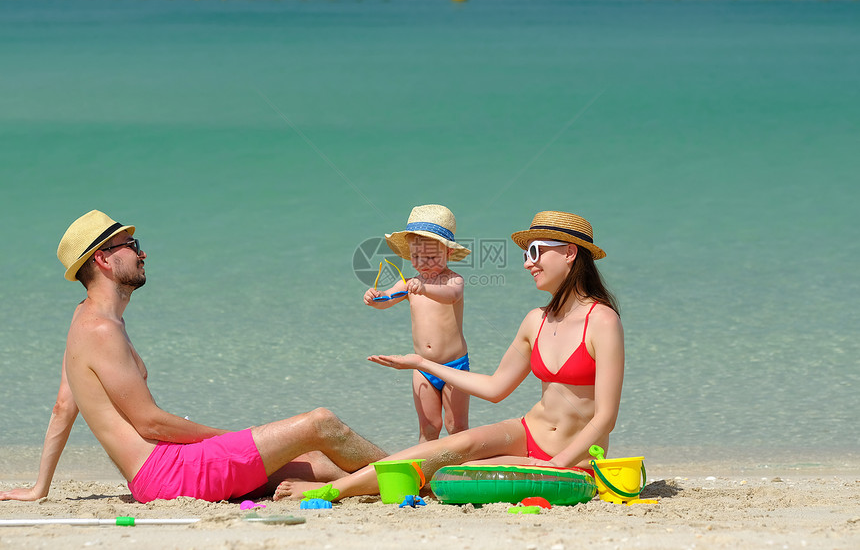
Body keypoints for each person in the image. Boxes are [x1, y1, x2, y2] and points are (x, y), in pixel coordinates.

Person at [0, 210, 386, 503]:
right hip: (168, 473)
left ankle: (382, 481)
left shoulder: (85, 319)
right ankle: (414, 471)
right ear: (103, 259)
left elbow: (63, 406)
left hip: (162, 469)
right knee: (320, 423)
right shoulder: (100, 330)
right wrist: (231, 438)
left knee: (315, 461)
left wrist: (40, 487)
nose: (142, 252)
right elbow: (150, 424)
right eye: (131, 247)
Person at [276, 210, 623, 501]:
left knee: (446, 475)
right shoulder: (536, 320)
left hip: (574, 458)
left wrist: (559, 463)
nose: (527, 264)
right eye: (525, 255)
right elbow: (494, 388)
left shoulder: (603, 321)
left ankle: (336, 486)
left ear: (569, 253)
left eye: (535, 252)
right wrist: (423, 363)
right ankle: (331, 487)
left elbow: (604, 417)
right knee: (449, 446)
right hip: (525, 431)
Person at [363, 204, 471, 442]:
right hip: (423, 366)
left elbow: (451, 295)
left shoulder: (454, 280)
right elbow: (385, 300)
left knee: (456, 427)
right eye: (416, 257)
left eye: (431, 257)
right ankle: (423, 474)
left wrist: (424, 288)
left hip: (455, 365)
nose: (423, 263)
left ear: (449, 253)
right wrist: (373, 298)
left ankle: (459, 471)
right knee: (429, 427)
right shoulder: (409, 283)